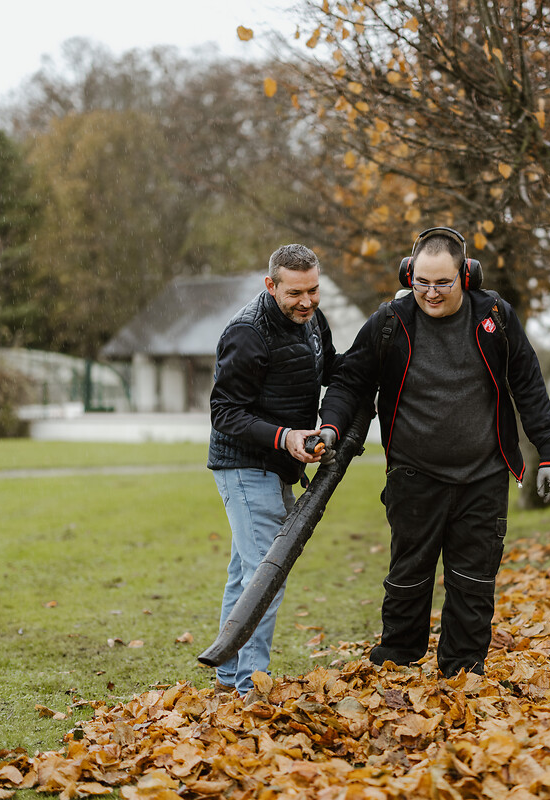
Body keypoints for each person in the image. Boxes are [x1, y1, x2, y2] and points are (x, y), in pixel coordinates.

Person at [317, 226, 550, 677]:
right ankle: (397, 663)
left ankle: (463, 670)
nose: (431, 293)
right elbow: (350, 380)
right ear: (409, 275)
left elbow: (528, 385)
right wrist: (330, 427)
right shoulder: (391, 321)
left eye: (443, 283)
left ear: (465, 276)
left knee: (473, 582)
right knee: (408, 578)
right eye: (422, 282)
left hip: (484, 476)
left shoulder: (495, 317)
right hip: (415, 475)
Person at [205, 244, 336, 693]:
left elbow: (332, 371)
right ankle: (250, 690)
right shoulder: (247, 332)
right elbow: (224, 412)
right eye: (295, 292)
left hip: (277, 465)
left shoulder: (313, 321)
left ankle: (228, 680)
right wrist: (286, 436)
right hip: (244, 464)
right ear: (271, 285)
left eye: (314, 290)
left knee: (248, 572)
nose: (306, 301)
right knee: (267, 575)